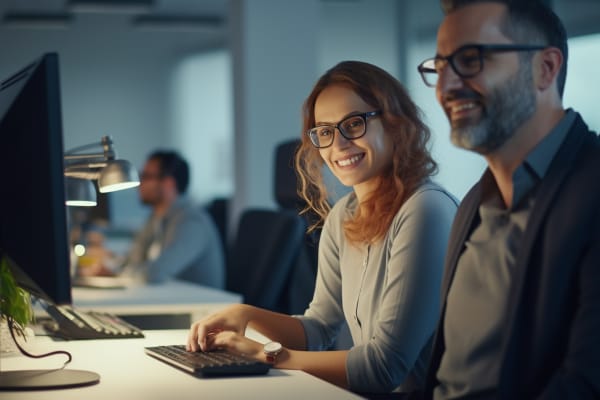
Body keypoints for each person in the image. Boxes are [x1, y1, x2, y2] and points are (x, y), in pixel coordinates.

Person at [187, 61, 458, 395]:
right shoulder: (344, 215)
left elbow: (385, 368)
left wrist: (269, 356)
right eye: (325, 131)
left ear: (395, 124)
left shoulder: (425, 210)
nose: (338, 144)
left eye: (354, 124)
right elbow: (318, 329)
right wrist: (245, 314)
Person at [415, 1, 600, 398]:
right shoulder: (472, 206)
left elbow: (586, 384)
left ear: (545, 68)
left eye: (470, 59)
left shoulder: (592, 191)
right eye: (441, 66)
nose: (446, 88)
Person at [79, 150, 225, 289]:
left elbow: (154, 273)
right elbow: (133, 259)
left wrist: (117, 272)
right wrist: (113, 266)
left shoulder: (192, 221)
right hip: (167, 300)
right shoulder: (156, 217)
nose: (139, 184)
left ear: (168, 183)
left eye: (146, 176)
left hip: (199, 308)